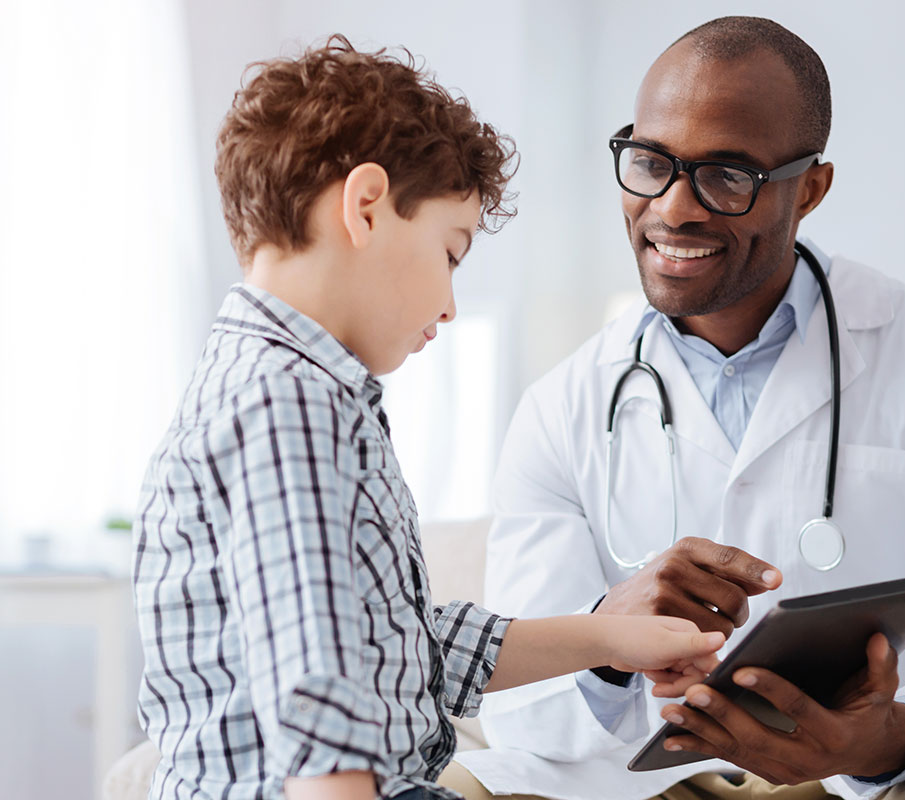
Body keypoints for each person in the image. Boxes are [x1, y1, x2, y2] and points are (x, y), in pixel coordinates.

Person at [443, 16, 905, 800]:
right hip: (644, 781)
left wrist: (888, 736)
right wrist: (607, 639)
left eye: (727, 175)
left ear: (809, 188)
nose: (674, 209)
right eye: (650, 163)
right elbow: (522, 713)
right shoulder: (562, 406)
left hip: (857, 778)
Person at [131, 36, 727, 800]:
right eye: (451, 251)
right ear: (367, 207)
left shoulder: (285, 393)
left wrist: (612, 638)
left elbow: (397, 651)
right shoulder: (287, 408)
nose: (449, 305)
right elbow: (321, 701)